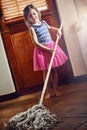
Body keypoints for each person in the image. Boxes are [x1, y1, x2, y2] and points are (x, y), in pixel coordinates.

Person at [23, 4, 68, 99]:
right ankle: (48, 92)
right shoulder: (32, 28)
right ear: (27, 18)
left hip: (51, 46)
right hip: (42, 50)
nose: (33, 17)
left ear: (37, 13)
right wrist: (49, 50)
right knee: (46, 72)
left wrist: (57, 31)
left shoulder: (43, 22)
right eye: (30, 16)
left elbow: (51, 28)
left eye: (34, 14)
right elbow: (35, 43)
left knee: (54, 70)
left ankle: (56, 90)